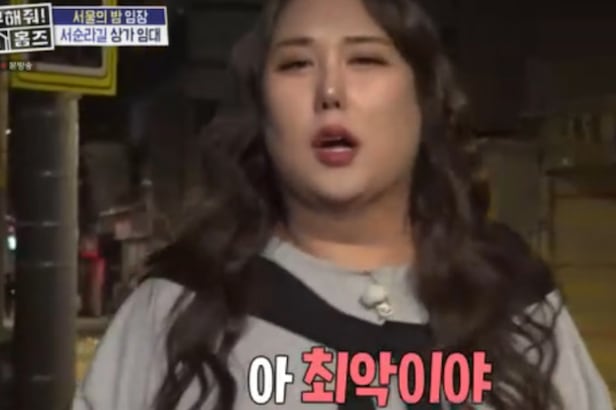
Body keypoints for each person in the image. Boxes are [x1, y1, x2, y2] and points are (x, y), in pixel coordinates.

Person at [72, 0, 613, 409]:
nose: (330, 90)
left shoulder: (515, 306)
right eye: (296, 64)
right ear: (261, 109)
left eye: (365, 59)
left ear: (423, 100)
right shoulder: (176, 312)